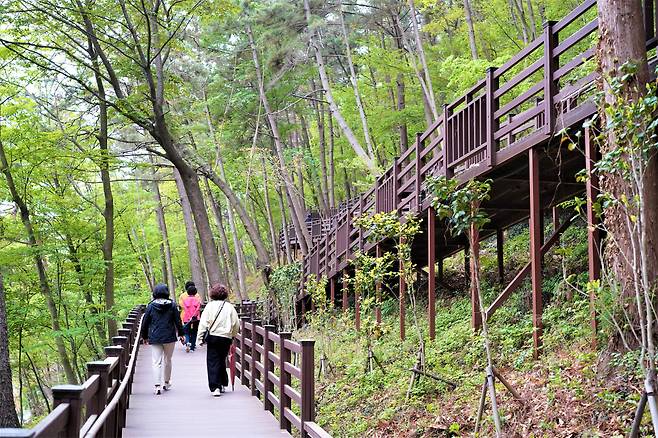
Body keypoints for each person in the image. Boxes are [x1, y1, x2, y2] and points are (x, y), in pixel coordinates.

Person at [141, 283, 184, 395]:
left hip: (155, 336)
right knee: (168, 359)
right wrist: (181, 333)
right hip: (169, 336)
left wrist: (144, 336)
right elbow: (177, 321)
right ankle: (166, 382)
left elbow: (145, 322)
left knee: (156, 361)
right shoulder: (172, 305)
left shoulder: (151, 306)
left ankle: (157, 386)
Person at [197, 283, 239, 397]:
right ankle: (223, 383)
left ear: (212, 294)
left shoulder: (209, 306)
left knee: (212, 361)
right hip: (226, 337)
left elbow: (203, 323)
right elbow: (236, 323)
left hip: (213, 337)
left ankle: (216, 386)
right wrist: (233, 335)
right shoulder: (229, 307)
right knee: (221, 359)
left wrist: (200, 338)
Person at [181, 282, 201, 352]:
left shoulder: (185, 300)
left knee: (186, 332)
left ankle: (187, 342)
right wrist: (193, 316)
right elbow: (198, 309)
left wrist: (189, 317)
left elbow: (185, 309)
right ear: (195, 292)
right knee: (194, 332)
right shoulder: (197, 300)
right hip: (195, 319)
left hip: (187, 318)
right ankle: (192, 346)